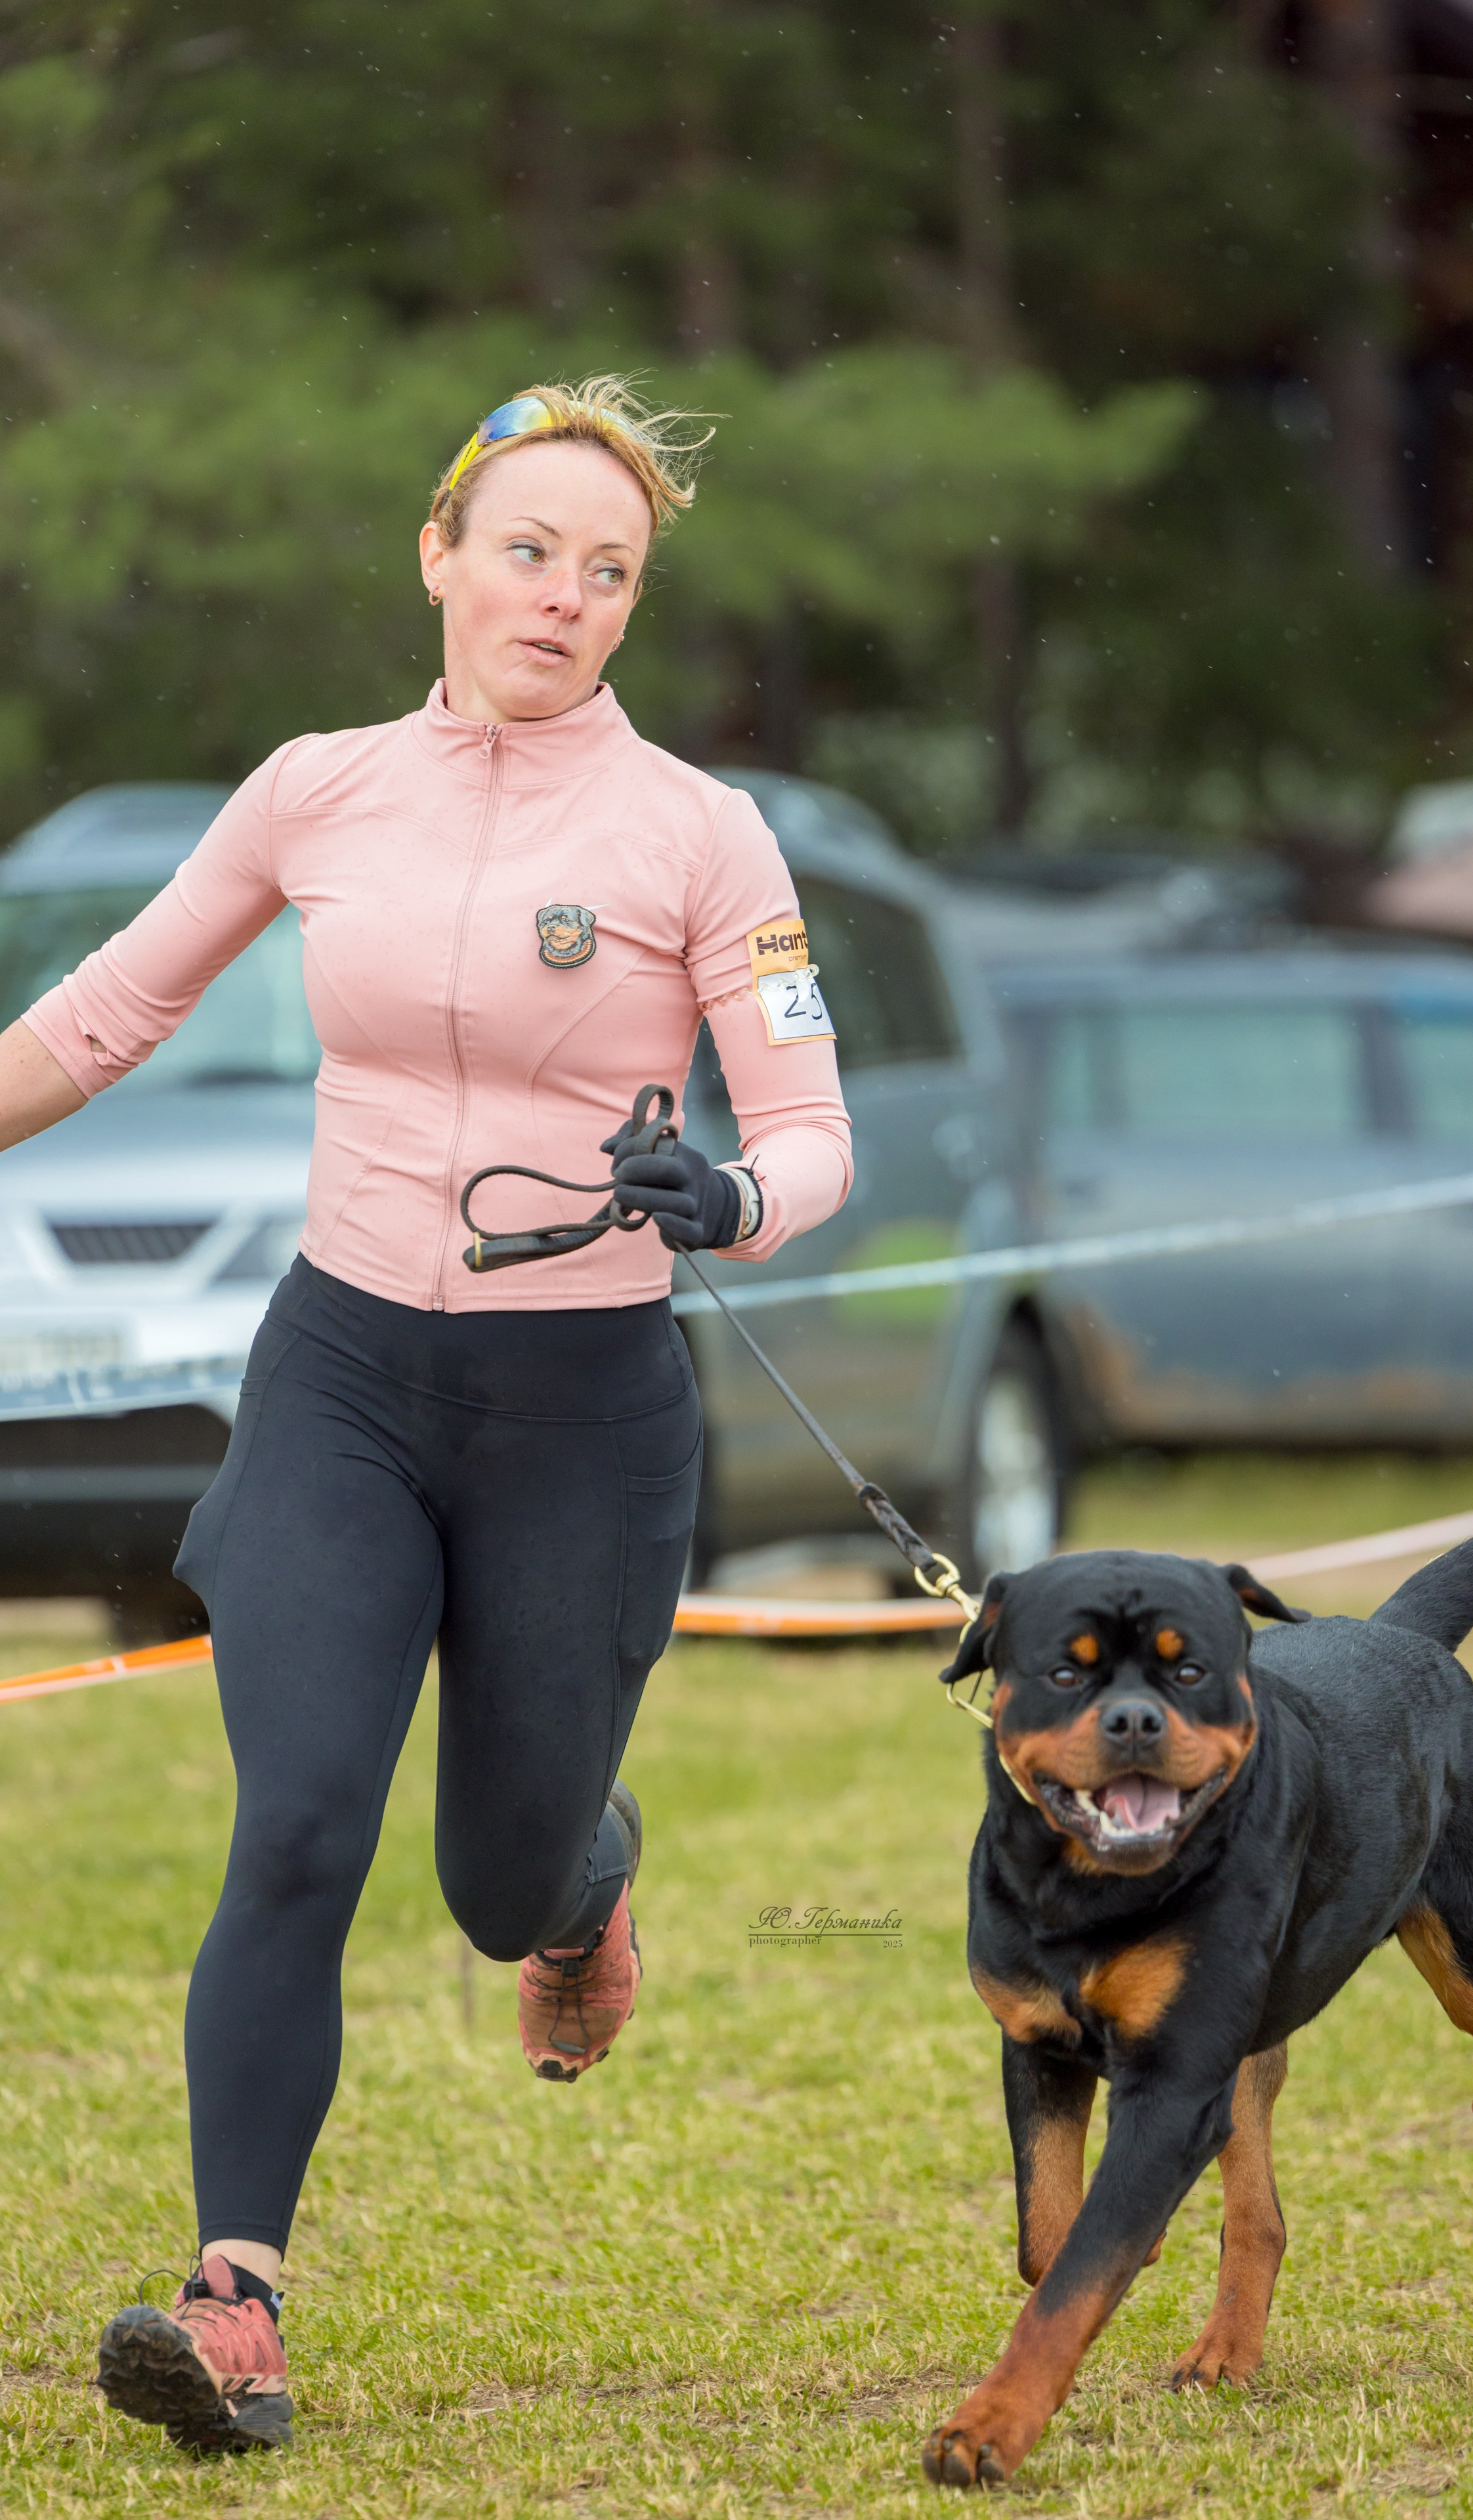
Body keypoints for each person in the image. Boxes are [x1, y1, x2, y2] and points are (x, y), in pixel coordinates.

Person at [0, 378, 851, 2453]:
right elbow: (109, 1010)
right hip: (345, 1378)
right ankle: (237, 2304)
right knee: (296, 1824)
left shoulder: (699, 832)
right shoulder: (316, 789)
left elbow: (814, 1131)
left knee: (494, 1882)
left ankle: (583, 1881)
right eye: (531, 550)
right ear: (441, 555)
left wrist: (727, 1195)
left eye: (610, 572)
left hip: (584, 1408)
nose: (564, 598)